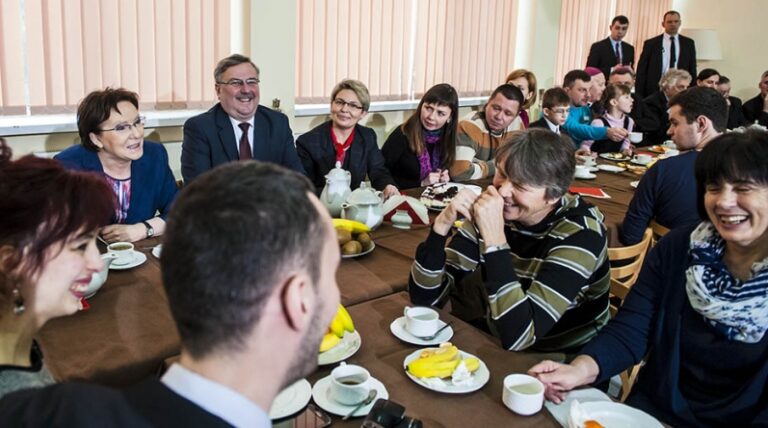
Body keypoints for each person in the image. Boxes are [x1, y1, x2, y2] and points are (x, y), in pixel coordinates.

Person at [0, 161, 342, 427]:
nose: (95, 260)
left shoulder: (53, 407)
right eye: (331, 275)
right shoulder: (40, 414)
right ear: (298, 300)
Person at [529, 129, 768, 427]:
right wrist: (579, 370)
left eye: (743, 188)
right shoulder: (681, 247)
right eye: (714, 187)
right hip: (654, 413)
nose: (724, 202)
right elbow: (633, 328)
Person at [409, 129, 610, 353]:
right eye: (502, 174)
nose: (503, 190)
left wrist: (495, 241)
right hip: (500, 334)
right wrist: (441, 228)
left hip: (564, 358)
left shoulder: (581, 235)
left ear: (554, 195)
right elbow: (425, 297)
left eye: (521, 185)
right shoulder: (498, 208)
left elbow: (521, 336)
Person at [0, 138, 113, 399]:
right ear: (11, 262)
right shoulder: (17, 404)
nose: (97, 263)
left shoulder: (22, 345)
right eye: (80, 246)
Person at [55, 88, 178, 243]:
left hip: (140, 254)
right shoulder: (69, 165)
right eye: (121, 128)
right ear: (96, 138)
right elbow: (56, 228)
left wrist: (142, 229)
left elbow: (178, 210)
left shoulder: (154, 155)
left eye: (137, 122)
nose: (137, 134)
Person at [621, 87, 726, 245]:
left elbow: (631, 235)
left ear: (701, 124)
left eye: (675, 123)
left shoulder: (664, 169)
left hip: (671, 262)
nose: (669, 131)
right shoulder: (753, 167)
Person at [181, 54, 304, 183]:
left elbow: (297, 178)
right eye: (236, 82)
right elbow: (198, 189)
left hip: (272, 202)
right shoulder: (200, 128)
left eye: (252, 82)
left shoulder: (277, 123)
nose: (246, 90)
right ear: (218, 90)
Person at [296, 79, 399, 198]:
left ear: (363, 113)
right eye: (339, 102)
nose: (344, 109)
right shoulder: (308, 142)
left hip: (355, 207)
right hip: (321, 206)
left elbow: (378, 171)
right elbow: (303, 187)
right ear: (331, 105)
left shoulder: (367, 136)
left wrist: (388, 185)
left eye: (353, 105)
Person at [381, 83, 458, 189]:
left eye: (440, 113)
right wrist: (421, 184)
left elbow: (449, 170)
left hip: (435, 199)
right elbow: (381, 175)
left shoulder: (447, 138)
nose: (431, 117)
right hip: (404, 198)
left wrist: (446, 180)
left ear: (450, 117)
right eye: (428, 108)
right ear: (421, 106)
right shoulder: (402, 134)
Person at [449, 84, 524, 181]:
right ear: (487, 104)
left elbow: (521, 163)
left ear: (516, 116)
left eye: (508, 113)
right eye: (496, 108)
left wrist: (480, 167)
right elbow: (460, 173)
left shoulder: (517, 124)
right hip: (468, 187)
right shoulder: (469, 125)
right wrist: (499, 165)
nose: (499, 117)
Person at [635, 11, 697, 98]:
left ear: (680, 23)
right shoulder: (651, 43)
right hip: (655, 89)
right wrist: (639, 94)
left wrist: (692, 92)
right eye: (669, 22)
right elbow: (642, 70)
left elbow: (692, 69)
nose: (673, 24)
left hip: (680, 90)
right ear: (663, 24)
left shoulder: (688, 43)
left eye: (676, 21)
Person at [562, 69, 628, 148]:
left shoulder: (585, 108)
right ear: (567, 91)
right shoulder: (559, 109)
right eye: (582, 90)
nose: (588, 95)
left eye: (589, 89)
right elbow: (576, 128)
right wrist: (606, 132)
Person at [580, 84, 635, 156]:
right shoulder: (598, 123)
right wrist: (587, 153)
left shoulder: (629, 122)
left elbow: (625, 144)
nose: (632, 100)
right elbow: (585, 145)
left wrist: (626, 151)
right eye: (627, 97)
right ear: (614, 102)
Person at [643, 68, 692, 146]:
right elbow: (656, 130)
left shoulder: (684, 102)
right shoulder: (652, 103)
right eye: (681, 87)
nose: (685, 91)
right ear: (668, 87)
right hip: (656, 144)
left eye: (687, 87)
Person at [609, 67, 658, 142]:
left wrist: (632, 123)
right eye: (618, 84)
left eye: (627, 83)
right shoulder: (604, 100)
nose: (623, 87)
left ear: (633, 84)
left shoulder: (636, 99)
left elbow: (653, 123)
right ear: (609, 84)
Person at [586, 15, 635, 79]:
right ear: (611, 27)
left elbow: (631, 70)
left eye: (624, 29)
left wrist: (631, 71)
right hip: (604, 84)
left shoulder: (629, 49)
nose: (620, 32)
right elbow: (590, 70)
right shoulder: (598, 46)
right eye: (617, 28)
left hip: (623, 86)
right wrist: (612, 70)